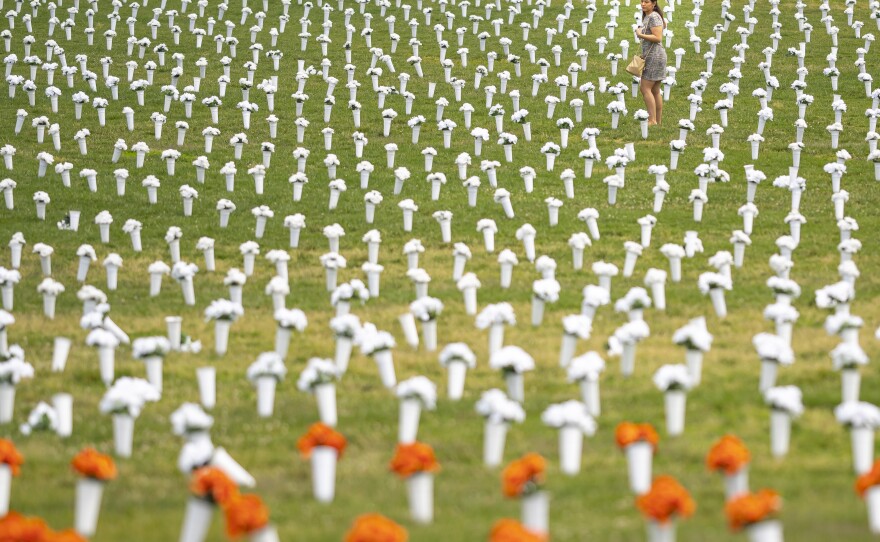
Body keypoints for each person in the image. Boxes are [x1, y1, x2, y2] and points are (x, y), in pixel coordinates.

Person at [635, 0, 668, 126]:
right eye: (642, 1)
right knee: (655, 90)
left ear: (654, 3)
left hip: (655, 56)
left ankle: (652, 120)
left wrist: (640, 34)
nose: (643, 4)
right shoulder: (649, 16)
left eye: (646, 2)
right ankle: (657, 121)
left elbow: (658, 38)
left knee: (645, 88)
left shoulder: (653, 16)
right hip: (653, 56)